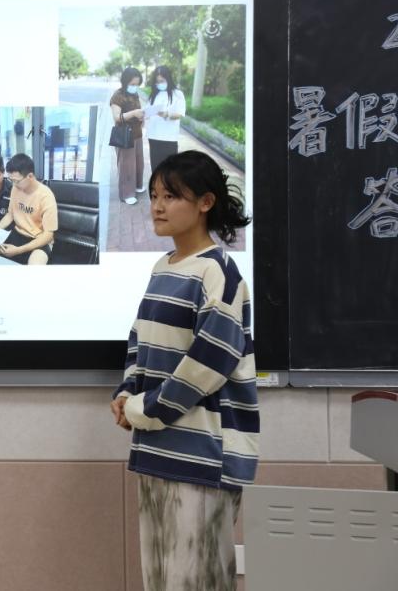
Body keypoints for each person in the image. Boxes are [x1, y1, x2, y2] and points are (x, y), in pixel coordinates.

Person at [108, 150, 258, 591]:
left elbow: (208, 364)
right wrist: (126, 392)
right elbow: (140, 340)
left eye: (171, 196)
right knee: (161, 579)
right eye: (154, 195)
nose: (157, 206)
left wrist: (144, 410)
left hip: (204, 456)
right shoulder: (163, 267)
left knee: (197, 580)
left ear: (206, 202)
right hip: (158, 447)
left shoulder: (219, 273)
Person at [0, 154, 58, 265]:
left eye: (17, 181)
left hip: (39, 239)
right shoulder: (15, 188)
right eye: (11, 180)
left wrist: (18, 250)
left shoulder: (46, 196)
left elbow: (48, 235)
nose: (14, 184)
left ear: (30, 176)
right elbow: (10, 215)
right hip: (18, 234)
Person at [109, 67, 146, 205]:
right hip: (124, 135)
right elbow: (117, 117)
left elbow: (138, 111)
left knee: (139, 163)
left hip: (137, 134)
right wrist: (134, 113)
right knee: (127, 165)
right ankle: (127, 194)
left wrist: (142, 116)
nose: (135, 86)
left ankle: (137, 186)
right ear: (125, 82)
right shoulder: (118, 96)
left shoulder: (134, 94)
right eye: (132, 84)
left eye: (137, 84)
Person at [144, 65, 186, 174]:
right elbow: (147, 111)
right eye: (157, 82)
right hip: (154, 136)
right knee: (156, 168)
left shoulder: (177, 94)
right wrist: (145, 114)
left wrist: (167, 114)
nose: (159, 84)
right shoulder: (154, 94)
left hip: (169, 138)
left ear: (168, 79)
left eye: (162, 81)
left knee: (169, 170)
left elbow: (180, 114)